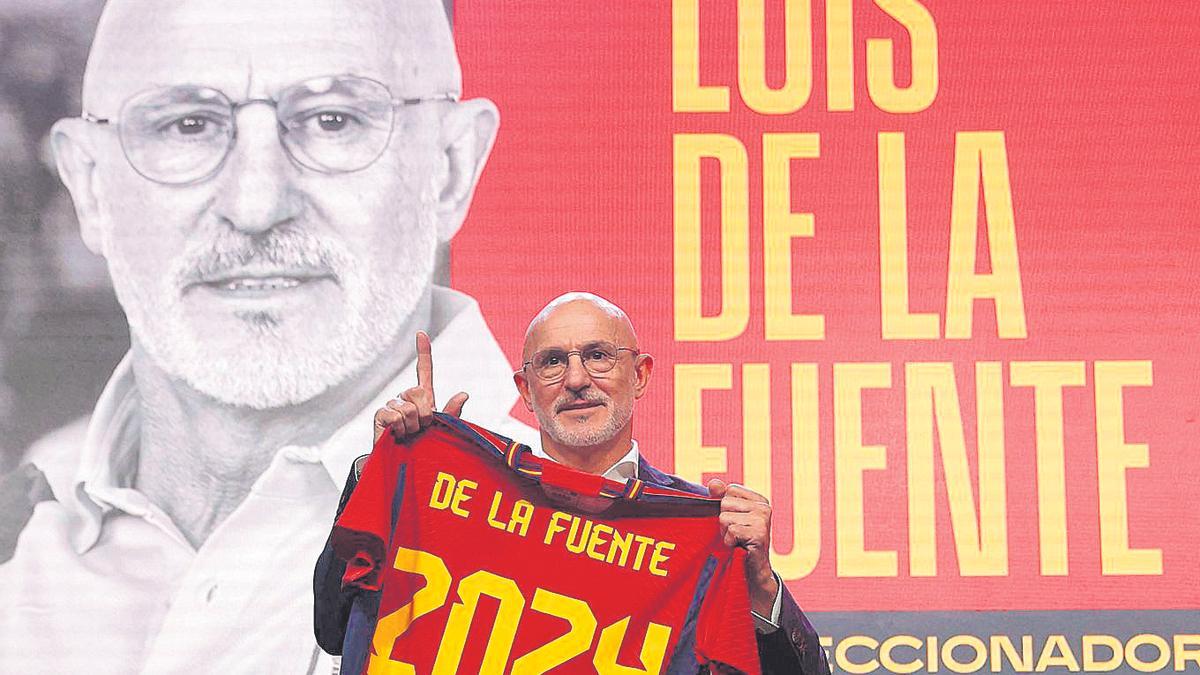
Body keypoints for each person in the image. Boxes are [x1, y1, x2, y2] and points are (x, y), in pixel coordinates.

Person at [0, 0, 537, 672]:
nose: (255, 204)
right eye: (188, 125)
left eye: (332, 120)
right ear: (89, 186)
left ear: (451, 168)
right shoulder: (20, 531)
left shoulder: (614, 576)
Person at [318, 293, 832, 674]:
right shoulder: (457, 502)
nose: (577, 379)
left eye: (598, 355)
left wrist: (760, 586)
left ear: (642, 375)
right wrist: (389, 475)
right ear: (525, 389)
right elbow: (334, 627)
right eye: (552, 362)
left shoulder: (704, 531)